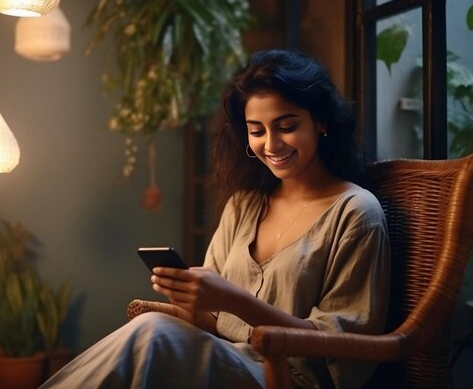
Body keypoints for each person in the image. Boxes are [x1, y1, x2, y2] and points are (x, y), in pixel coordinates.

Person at [39, 49, 390, 389]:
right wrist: (191, 294)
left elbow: (343, 347)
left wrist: (232, 300)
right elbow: (214, 320)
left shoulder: (356, 213)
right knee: (153, 326)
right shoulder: (244, 205)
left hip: (289, 378)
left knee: (153, 335)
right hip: (225, 358)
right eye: (257, 130)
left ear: (321, 122)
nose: (272, 144)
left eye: (286, 126)